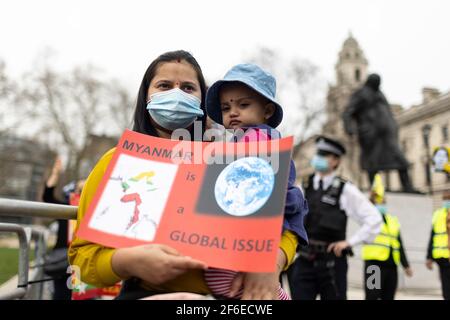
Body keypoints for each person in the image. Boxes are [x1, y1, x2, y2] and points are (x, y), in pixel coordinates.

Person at [69, 50, 240, 300]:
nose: (177, 94)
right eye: (164, 85)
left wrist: (271, 267)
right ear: (146, 96)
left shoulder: (230, 164)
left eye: (188, 88)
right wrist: (128, 261)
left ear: (202, 101)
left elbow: (284, 230)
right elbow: (81, 260)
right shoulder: (116, 164)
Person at [205, 63, 309, 300]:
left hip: (256, 228)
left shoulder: (259, 138)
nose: (232, 112)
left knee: (226, 282)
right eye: (225, 107)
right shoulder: (238, 141)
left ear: (268, 111)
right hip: (246, 227)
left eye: (243, 104)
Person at [288, 136, 382, 300]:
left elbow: (374, 218)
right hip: (303, 261)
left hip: (332, 263)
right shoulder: (304, 186)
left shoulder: (345, 190)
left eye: (324, 154)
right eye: (318, 153)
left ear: (335, 161)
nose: (318, 158)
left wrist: (349, 243)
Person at [342, 74, 416, 193]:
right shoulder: (361, 93)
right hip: (371, 135)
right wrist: (350, 129)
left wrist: (393, 126)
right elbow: (348, 112)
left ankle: (408, 187)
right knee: (372, 164)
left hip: (387, 136)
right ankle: (375, 189)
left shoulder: (379, 94)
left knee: (401, 161)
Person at [362, 174, 413, 300]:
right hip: (374, 266)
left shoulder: (392, 221)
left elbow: (399, 244)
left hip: (391, 267)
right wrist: (372, 197)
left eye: (384, 201)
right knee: (372, 296)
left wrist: (406, 265)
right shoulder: (369, 219)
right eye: (379, 201)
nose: (382, 204)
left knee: (389, 296)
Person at [42, 157, 85, 300]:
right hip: (63, 260)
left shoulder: (92, 211)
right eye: (80, 190)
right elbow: (47, 197)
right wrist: (55, 174)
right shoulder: (64, 208)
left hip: (82, 259)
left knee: (81, 294)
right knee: (62, 294)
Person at [425, 190, 450, 300]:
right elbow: (432, 236)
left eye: (448, 199)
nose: (446, 201)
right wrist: (429, 257)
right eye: (444, 199)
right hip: (442, 257)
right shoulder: (438, 214)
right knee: (446, 290)